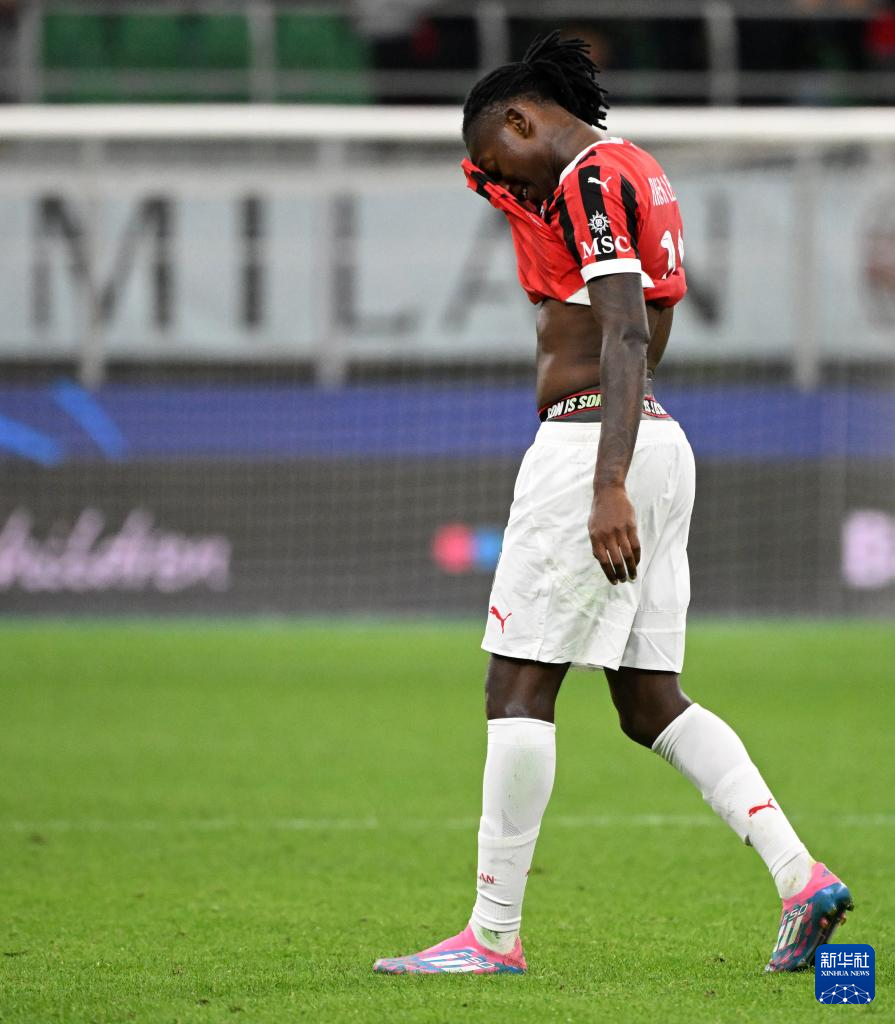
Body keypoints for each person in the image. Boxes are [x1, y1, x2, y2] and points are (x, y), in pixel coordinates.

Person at [373, 31, 852, 976]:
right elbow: (615, 300)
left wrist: (603, 484)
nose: (493, 176)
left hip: (594, 446)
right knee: (647, 701)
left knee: (517, 686)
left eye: (494, 155)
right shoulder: (633, 168)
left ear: (521, 120)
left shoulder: (588, 180)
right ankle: (801, 878)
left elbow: (625, 332)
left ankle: (491, 937)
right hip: (656, 445)